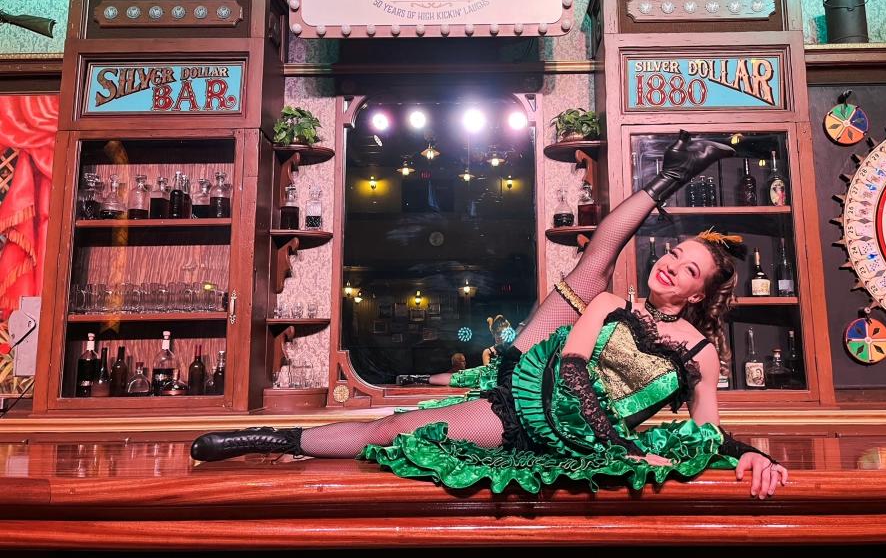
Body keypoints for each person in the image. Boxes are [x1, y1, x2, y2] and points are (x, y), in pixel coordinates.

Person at [192, 132, 788, 498]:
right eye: (673, 253)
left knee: (401, 429)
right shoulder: (615, 304)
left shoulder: (700, 355)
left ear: (697, 295)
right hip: (539, 388)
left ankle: (682, 165)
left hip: (571, 443)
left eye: (686, 270)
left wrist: (753, 454)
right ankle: (271, 437)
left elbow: (708, 434)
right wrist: (623, 448)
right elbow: (575, 366)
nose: (668, 266)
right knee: (590, 271)